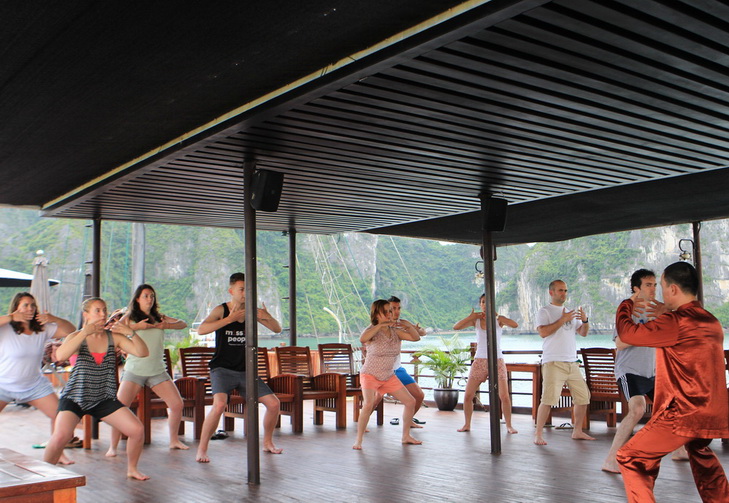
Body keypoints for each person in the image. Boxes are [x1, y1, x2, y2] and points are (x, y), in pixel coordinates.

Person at [615, 262, 729, 501]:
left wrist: (627, 305)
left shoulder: (676, 322)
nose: (660, 293)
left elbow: (626, 334)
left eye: (663, 287)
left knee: (631, 458)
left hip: (684, 413)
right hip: (712, 411)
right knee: (701, 456)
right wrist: (666, 315)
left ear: (674, 290)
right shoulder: (711, 321)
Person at [43, 297, 151, 480]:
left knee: (136, 430)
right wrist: (84, 333)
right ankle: (42, 475)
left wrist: (130, 333)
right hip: (75, 397)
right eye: (97, 311)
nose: (103, 315)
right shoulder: (76, 337)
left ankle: (132, 469)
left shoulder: (114, 337)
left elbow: (142, 352)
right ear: (86, 315)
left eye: (104, 310)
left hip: (103, 398)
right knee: (61, 436)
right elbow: (60, 355)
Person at [195, 272, 283, 463]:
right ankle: (202, 449)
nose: (245, 293)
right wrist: (230, 319)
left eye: (248, 289)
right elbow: (201, 329)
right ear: (232, 291)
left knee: (274, 404)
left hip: (246, 371)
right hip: (222, 369)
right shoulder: (221, 310)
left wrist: (267, 317)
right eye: (242, 289)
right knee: (219, 405)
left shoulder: (253, 310)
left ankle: (267, 442)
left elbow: (277, 329)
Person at [106, 284, 189, 457]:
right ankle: (112, 447)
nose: (149, 299)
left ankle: (173, 440)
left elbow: (183, 324)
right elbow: (114, 330)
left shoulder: (159, 317)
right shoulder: (129, 317)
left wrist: (165, 325)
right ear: (137, 299)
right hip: (134, 370)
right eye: (145, 296)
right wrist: (137, 328)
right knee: (119, 409)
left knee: (177, 404)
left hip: (157, 370)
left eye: (151, 296)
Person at [0, 292, 76, 464]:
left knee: (61, 417)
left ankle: (58, 452)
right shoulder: (5, 327)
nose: (30, 309)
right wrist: (11, 317)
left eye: (32, 305)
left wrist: (53, 318)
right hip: (3, 384)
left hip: (34, 386)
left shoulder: (41, 328)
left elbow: (71, 330)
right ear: (16, 307)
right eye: (25, 305)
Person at [602, 269, 663, 472]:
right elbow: (619, 343)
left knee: (670, 409)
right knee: (637, 409)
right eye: (648, 285)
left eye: (655, 284)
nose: (653, 288)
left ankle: (680, 451)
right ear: (636, 288)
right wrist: (644, 332)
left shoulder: (658, 311)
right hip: (630, 370)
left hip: (652, 371)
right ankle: (611, 460)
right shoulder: (627, 310)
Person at [353, 299, 422, 450]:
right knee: (369, 404)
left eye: (391, 311)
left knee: (410, 401)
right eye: (387, 311)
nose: (390, 314)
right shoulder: (372, 330)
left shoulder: (395, 332)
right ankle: (358, 440)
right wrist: (380, 325)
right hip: (370, 374)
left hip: (388, 376)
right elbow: (362, 339)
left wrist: (408, 325)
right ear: (377, 313)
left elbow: (416, 337)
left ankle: (405, 436)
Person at [533, 279, 594, 445]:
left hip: (572, 362)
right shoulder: (544, 311)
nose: (564, 294)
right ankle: (538, 434)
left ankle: (577, 431)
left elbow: (583, 333)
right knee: (548, 399)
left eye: (566, 290)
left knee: (583, 397)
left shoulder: (570, 312)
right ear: (551, 292)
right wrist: (562, 319)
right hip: (553, 362)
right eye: (560, 290)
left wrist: (586, 321)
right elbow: (543, 332)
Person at [453, 293, 519, 434]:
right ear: (480, 304)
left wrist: (499, 317)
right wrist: (471, 317)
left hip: (497, 360)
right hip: (480, 360)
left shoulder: (498, 320)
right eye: (482, 302)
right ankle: (467, 424)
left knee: (504, 396)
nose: (485, 304)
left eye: (487, 302)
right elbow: (456, 327)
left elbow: (515, 324)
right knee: (468, 395)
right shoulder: (475, 321)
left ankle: (509, 425)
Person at [387, 296, 427, 428]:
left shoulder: (402, 323)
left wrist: (415, 329)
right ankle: (362, 425)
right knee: (374, 400)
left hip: (397, 368)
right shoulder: (380, 326)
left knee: (419, 395)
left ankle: (408, 420)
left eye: (398, 308)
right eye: (393, 308)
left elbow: (422, 332)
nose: (397, 311)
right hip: (383, 369)